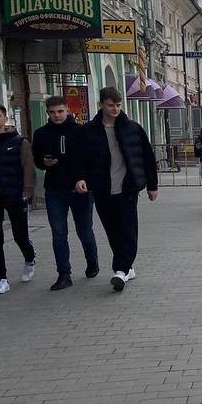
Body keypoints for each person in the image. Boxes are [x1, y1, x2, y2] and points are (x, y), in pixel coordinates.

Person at [74, 87, 159, 292]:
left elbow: (147, 157)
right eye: (111, 105)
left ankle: (120, 270)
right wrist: (80, 178)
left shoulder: (132, 128)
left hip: (127, 187)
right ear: (102, 104)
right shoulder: (89, 131)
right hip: (102, 188)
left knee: (127, 230)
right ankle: (127, 267)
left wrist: (152, 185)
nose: (115, 109)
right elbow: (80, 158)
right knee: (112, 231)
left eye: (118, 105)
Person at [32, 95, 98, 290]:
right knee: (59, 233)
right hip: (55, 190)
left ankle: (92, 261)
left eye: (60, 111)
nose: (56, 115)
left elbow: (91, 160)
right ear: (47, 113)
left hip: (80, 190)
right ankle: (64, 274)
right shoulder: (41, 134)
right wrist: (44, 163)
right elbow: (37, 160)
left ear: (68, 110)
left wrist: (84, 178)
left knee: (84, 231)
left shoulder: (81, 131)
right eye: (52, 112)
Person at [0, 103, 37, 294]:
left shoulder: (19, 142)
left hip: (15, 195)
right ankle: (1, 278)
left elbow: (28, 167)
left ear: (5, 119)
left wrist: (27, 190)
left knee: (20, 235)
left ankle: (30, 257)